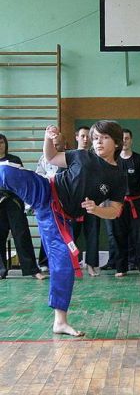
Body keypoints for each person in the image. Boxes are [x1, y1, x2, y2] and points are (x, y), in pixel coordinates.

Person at [0, 121, 125, 336]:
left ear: (117, 143)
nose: (98, 142)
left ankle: (60, 322)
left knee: (63, 265)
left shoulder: (118, 177)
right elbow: (51, 157)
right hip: (46, 190)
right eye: (96, 138)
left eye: (104, 138)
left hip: (59, 218)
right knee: (5, 171)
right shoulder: (82, 155)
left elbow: (115, 210)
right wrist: (48, 138)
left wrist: (96, 210)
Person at [0, 134, 45, 280]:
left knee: (21, 234)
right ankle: (1, 271)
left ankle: (32, 269)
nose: (0, 145)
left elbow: (22, 181)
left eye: (1, 142)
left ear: (6, 144)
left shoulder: (14, 160)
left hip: (13, 201)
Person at [112, 128, 140, 278]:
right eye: (122, 139)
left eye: (127, 138)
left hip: (136, 202)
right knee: (119, 235)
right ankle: (121, 268)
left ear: (131, 140)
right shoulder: (113, 160)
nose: (124, 141)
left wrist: (139, 198)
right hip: (117, 204)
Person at [71, 126, 101, 277]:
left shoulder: (96, 158)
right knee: (70, 235)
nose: (85, 139)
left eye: (87, 136)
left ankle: (91, 265)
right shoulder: (69, 156)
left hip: (92, 202)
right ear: (76, 137)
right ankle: (70, 265)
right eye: (82, 136)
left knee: (93, 234)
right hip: (73, 203)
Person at [36, 133, 66, 272]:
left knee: (65, 232)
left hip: (65, 199)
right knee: (47, 229)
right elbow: (38, 174)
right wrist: (48, 179)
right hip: (48, 198)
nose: (54, 146)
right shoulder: (44, 158)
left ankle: (65, 261)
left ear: (64, 144)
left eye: (57, 144)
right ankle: (44, 262)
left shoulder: (69, 158)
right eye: (52, 144)